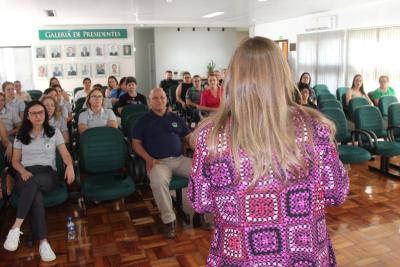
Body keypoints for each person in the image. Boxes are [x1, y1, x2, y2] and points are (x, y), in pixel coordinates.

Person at [188, 37, 349, 266]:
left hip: (240, 256)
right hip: (302, 255)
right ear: (283, 75)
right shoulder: (315, 129)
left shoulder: (212, 137)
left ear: (233, 78)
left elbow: (200, 201)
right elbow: (337, 192)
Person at [3, 101, 75, 262]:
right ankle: (44, 243)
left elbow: (64, 154)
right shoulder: (20, 135)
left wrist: (70, 164)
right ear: (27, 116)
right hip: (25, 173)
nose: (38, 116)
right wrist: (22, 171)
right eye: (33, 113)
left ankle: (15, 228)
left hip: (47, 174)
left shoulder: (54, 132)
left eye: (41, 112)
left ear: (46, 114)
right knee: (36, 196)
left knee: (33, 184)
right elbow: (15, 161)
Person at [132, 88, 196, 239]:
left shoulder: (176, 118)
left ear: (166, 100)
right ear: (149, 101)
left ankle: (200, 212)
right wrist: (148, 158)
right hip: (158, 162)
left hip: (179, 159)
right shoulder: (142, 121)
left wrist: (200, 149)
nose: (159, 100)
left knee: (202, 172)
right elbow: (136, 143)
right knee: (158, 181)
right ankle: (169, 221)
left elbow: (189, 138)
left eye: (162, 97)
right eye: (155, 98)